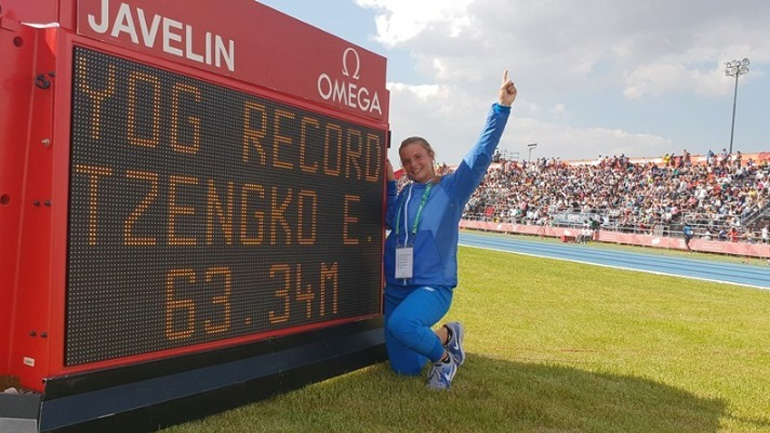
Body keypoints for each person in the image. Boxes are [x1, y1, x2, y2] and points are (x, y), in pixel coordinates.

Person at [383, 70, 517, 390]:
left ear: (431, 156)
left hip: (432, 286)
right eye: (407, 160)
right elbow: (390, 221)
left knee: (404, 324)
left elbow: (481, 155)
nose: (413, 163)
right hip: (397, 286)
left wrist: (501, 108)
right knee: (404, 368)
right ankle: (448, 335)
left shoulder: (452, 188)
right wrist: (389, 181)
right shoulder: (404, 194)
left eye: (418, 156)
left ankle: (444, 360)